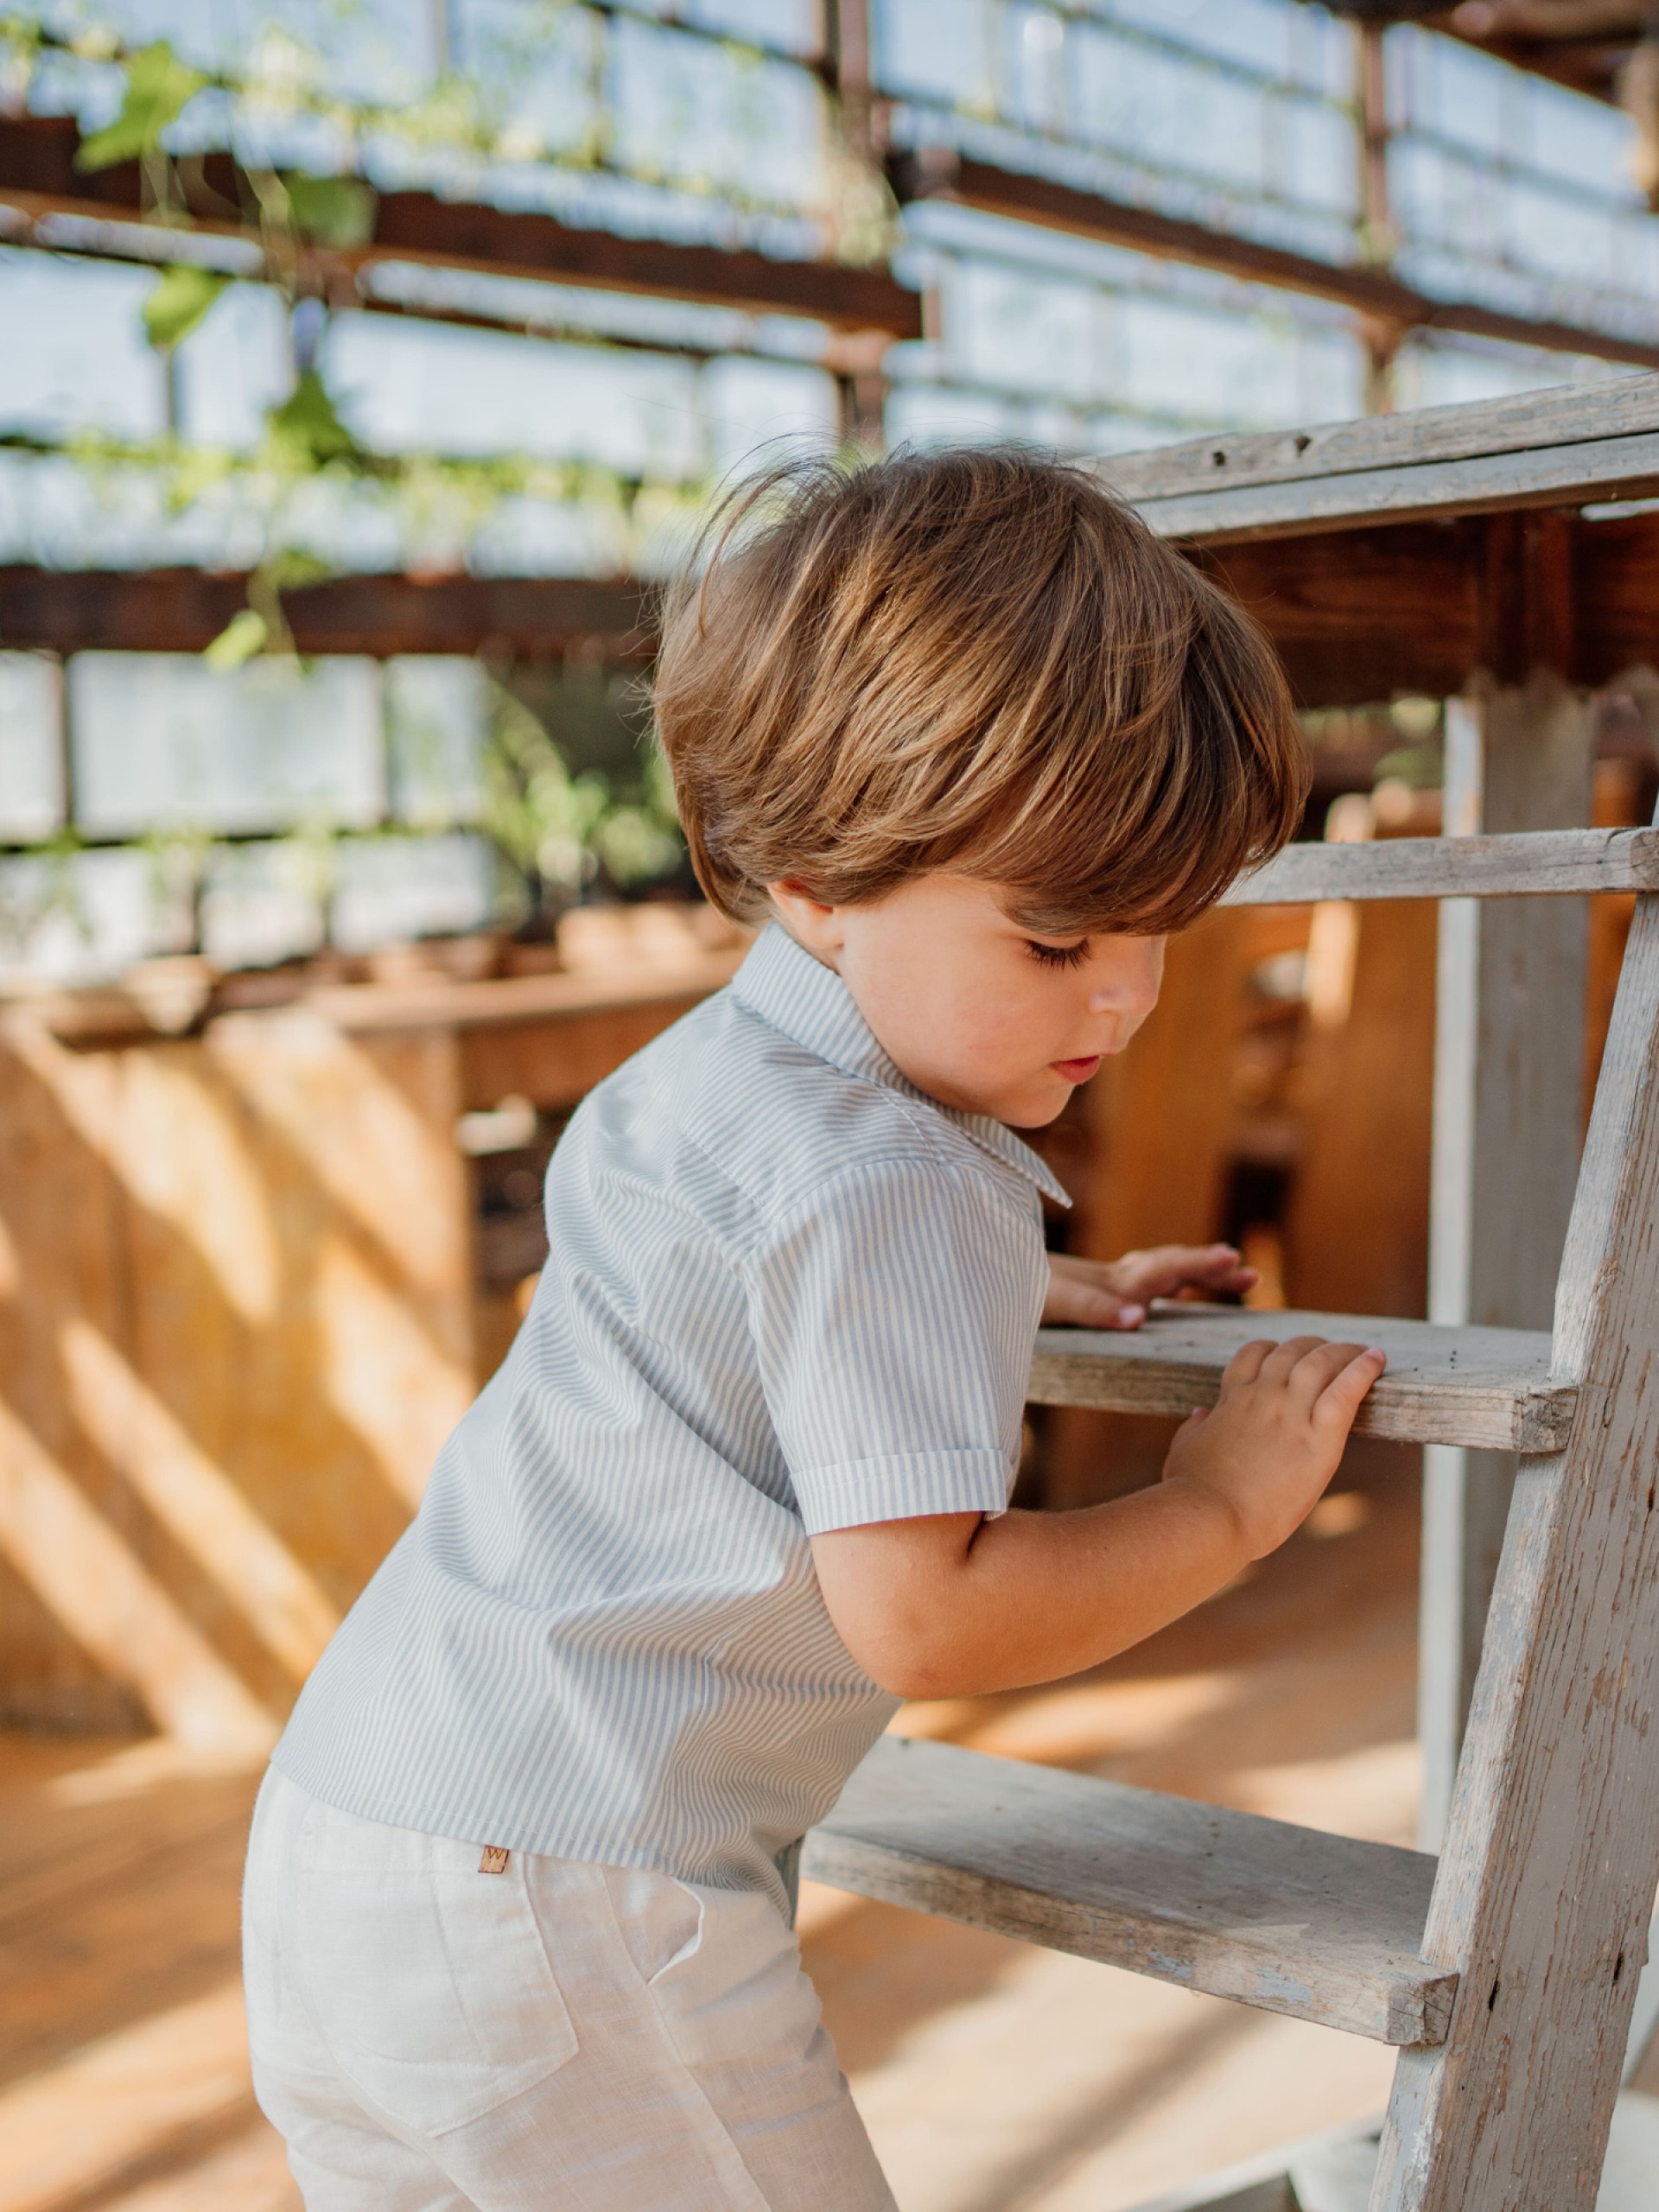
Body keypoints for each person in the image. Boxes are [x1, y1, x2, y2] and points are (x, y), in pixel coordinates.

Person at [243, 447, 1387, 2211]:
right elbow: (925, 1605)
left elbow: (745, 1295)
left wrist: (1029, 1290)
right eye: (1060, 929)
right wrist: (1224, 1506)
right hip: (572, 1896)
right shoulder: (892, 1178)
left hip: (351, 1834)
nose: (1129, 990)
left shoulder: (701, 1075)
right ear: (815, 876)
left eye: (1168, 926)